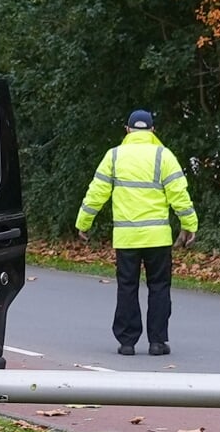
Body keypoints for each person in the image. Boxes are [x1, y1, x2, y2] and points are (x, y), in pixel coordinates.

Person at [76, 109, 199, 357]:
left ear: (127, 129)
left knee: (127, 287)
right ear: (153, 130)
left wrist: (84, 222)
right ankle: (157, 342)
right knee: (159, 287)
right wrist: (189, 224)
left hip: (127, 238)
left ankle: (127, 342)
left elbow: (96, 192)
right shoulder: (164, 156)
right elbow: (179, 194)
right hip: (158, 238)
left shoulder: (114, 156)